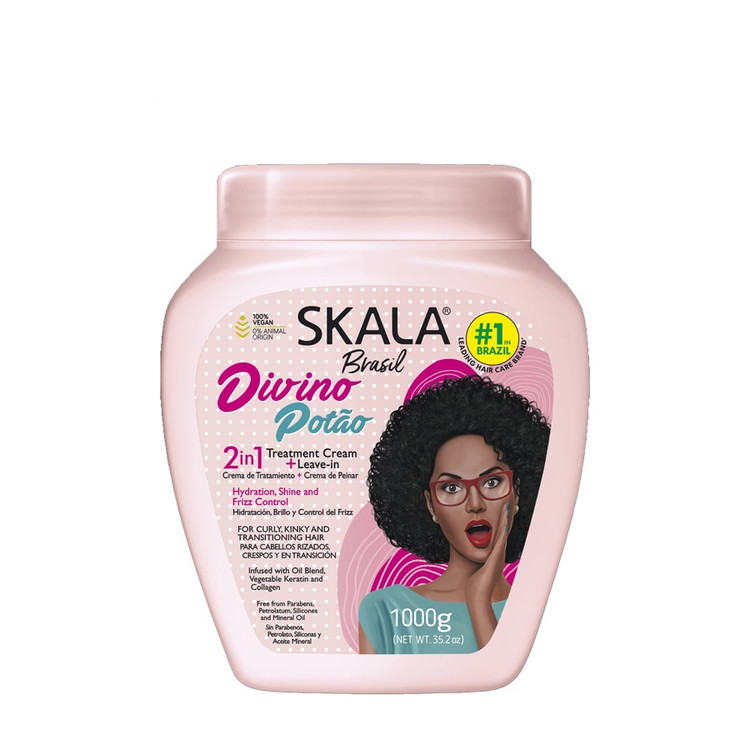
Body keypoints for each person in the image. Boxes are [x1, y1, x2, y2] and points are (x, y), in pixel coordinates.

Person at [358, 375, 550, 654]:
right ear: (430, 505)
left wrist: (479, 601)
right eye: (451, 488)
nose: (475, 504)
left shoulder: (542, 608)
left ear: (517, 493)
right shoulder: (386, 611)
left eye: (492, 482)